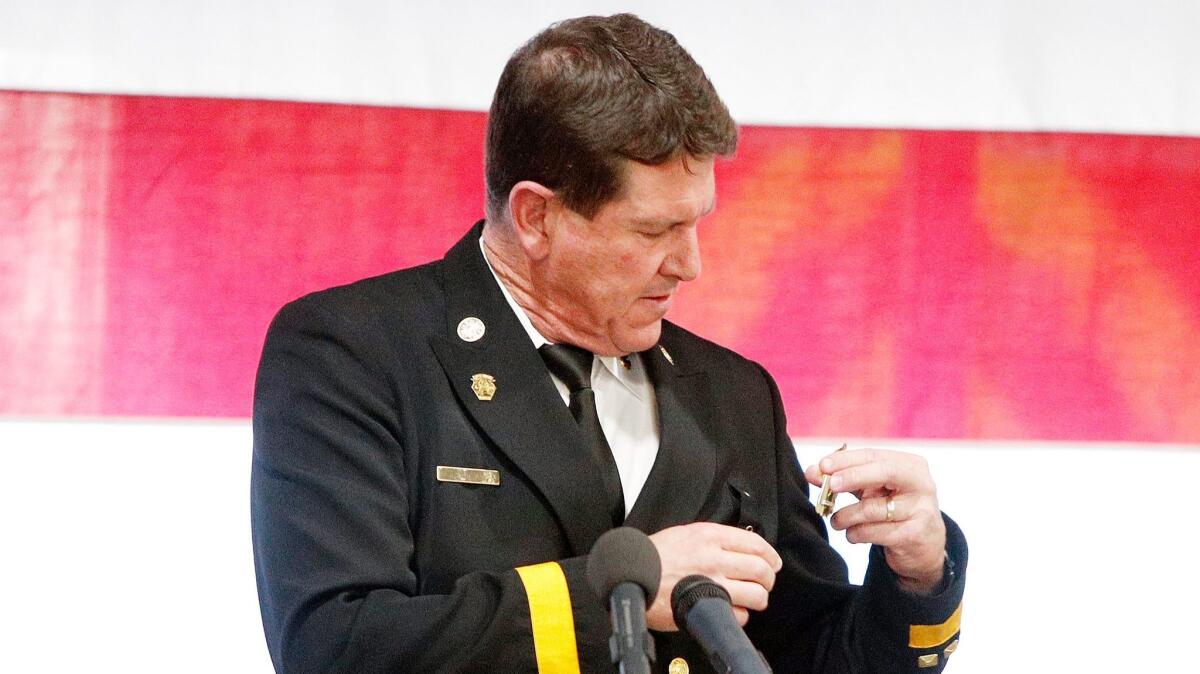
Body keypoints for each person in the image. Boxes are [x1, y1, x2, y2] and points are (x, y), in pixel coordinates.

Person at [251, 13, 966, 674]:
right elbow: (333, 646)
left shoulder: (735, 393)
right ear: (535, 217)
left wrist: (918, 574)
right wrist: (620, 593)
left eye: (696, 224)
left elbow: (808, 655)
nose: (690, 262)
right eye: (654, 231)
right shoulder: (355, 352)